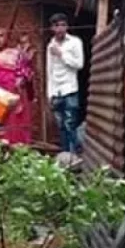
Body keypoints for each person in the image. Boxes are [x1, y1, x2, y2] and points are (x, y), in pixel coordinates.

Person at [0, 28, 33, 145]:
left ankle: (20, 149)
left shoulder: (15, 54)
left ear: (6, 38)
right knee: (2, 125)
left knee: (17, 122)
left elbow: (26, 71)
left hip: (16, 92)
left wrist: (22, 79)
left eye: (1, 36)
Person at [46, 13, 84, 153]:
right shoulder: (50, 46)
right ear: (52, 28)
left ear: (67, 26)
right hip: (56, 91)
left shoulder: (75, 42)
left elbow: (79, 64)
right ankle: (66, 155)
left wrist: (61, 54)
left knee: (70, 123)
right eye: (57, 25)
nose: (60, 28)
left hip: (70, 90)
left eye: (63, 25)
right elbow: (49, 71)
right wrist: (49, 94)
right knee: (61, 126)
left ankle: (77, 150)